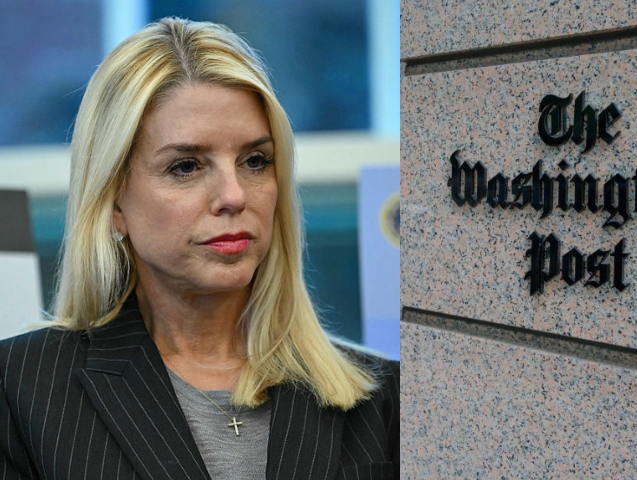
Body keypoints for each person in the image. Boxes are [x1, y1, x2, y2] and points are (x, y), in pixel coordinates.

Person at [0, 18, 398, 480]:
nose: (233, 195)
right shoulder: (21, 390)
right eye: (186, 166)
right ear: (113, 201)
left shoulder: (384, 397)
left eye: (255, 161)